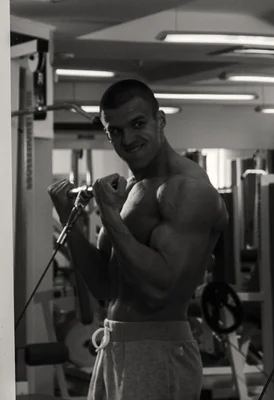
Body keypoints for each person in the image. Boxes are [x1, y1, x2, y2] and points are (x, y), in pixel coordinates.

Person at [48, 79, 228, 400]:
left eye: (138, 124)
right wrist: (70, 222)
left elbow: (160, 289)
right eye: (115, 131)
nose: (127, 138)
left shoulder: (187, 189)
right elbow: (105, 286)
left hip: (159, 349)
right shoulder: (132, 188)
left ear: (160, 121)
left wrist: (110, 217)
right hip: (115, 344)